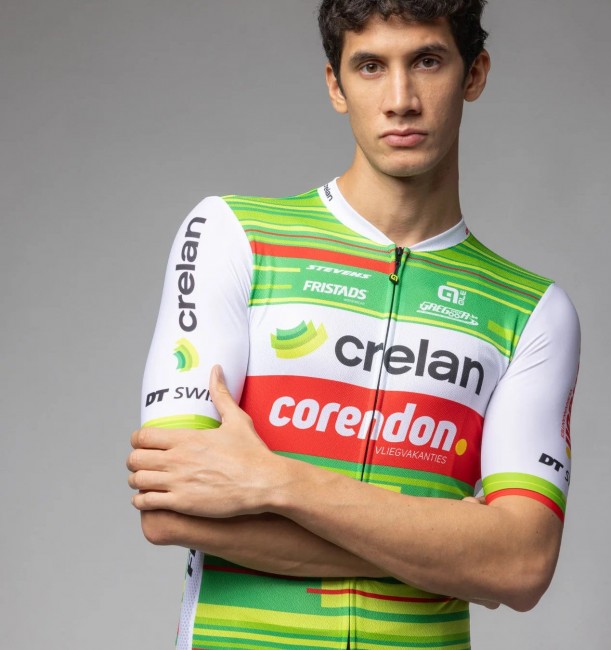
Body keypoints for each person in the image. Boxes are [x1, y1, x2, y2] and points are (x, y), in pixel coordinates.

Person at [127, 1, 580, 648]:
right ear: (335, 85)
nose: (400, 100)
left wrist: (278, 482)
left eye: (427, 61)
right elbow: (170, 509)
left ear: (474, 74)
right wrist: (450, 554)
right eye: (370, 66)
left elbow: (523, 564)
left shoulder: (531, 308)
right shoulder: (235, 236)